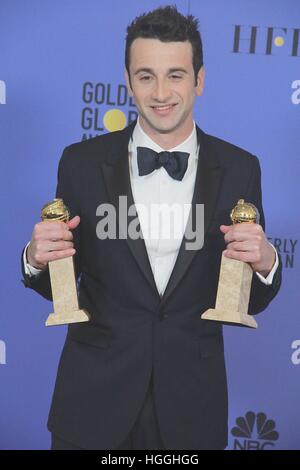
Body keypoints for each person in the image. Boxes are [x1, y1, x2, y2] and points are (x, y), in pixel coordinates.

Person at [21, 6, 282, 450]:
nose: (161, 92)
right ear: (128, 80)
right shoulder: (80, 163)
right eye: (146, 76)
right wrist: (35, 259)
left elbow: (247, 299)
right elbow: (58, 286)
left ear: (199, 79)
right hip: (92, 403)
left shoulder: (240, 168)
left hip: (190, 407)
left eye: (176, 75)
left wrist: (266, 261)